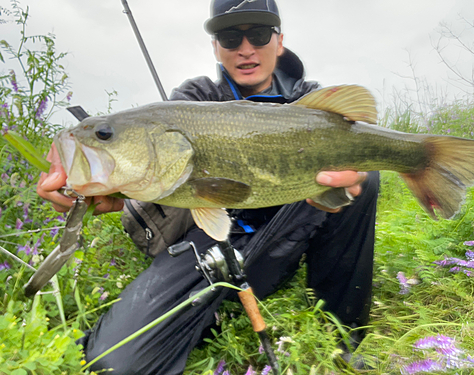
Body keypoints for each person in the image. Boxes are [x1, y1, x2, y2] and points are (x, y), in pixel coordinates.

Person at [37, 0, 379, 373]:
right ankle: (207, 312)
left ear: (279, 41)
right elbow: (159, 176)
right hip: (208, 247)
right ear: (215, 47)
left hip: (287, 236)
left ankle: (343, 335)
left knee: (361, 172)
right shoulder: (191, 102)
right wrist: (105, 192)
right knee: (113, 365)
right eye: (230, 36)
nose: (246, 48)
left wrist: (342, 189)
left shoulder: (312, 104)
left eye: (259, 34)